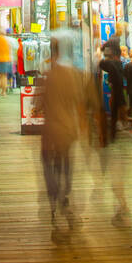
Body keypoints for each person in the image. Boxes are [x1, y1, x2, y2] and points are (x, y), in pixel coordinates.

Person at [37, 40, 86, 242]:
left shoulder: (47, 77)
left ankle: (54, 206)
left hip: (50, 132)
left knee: (49, 167)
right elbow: (79, 104)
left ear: (52, 54)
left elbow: (38, 105)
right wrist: (83, 128)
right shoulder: (71, 76)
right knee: (66, 166)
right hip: (67, 130)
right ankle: (65, 199)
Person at [99, 39, 128, 143]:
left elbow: (102, 63)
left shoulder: (112, 63)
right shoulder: (117, 63)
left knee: (116, 106)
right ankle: (115, 129)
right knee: (118, 105)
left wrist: (106, 55)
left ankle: (114, 130)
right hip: (117, 86)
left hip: (116, 87)